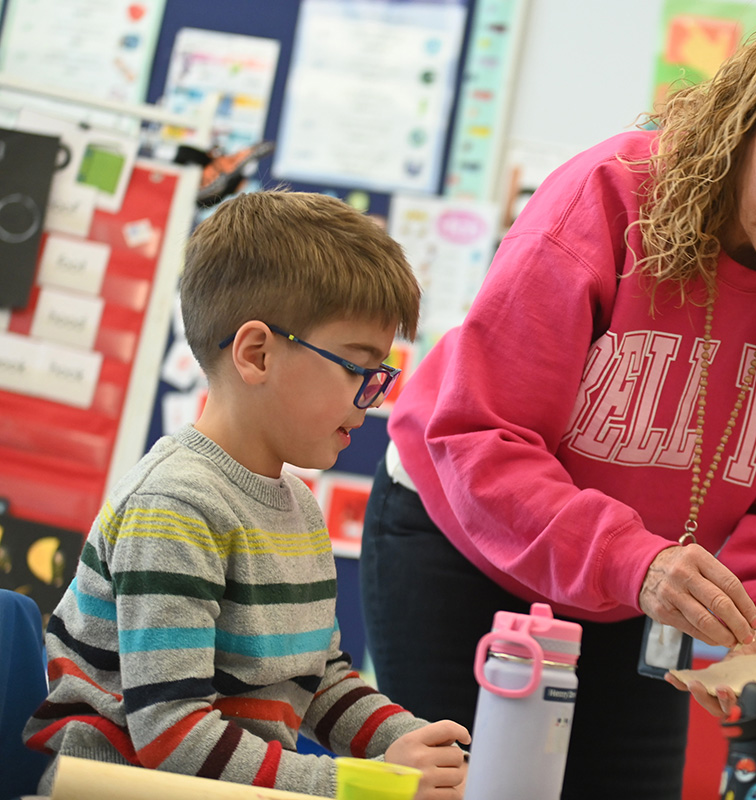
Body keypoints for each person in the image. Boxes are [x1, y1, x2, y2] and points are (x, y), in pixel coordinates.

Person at [360, 7, 756, 799]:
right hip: (464, 543)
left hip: (641, 585)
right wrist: (639, 561)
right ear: (741, 126)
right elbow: (479, 434)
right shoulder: (607, 200)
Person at [23, 192, 470, 799]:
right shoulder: (174, 508)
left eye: (379, 375)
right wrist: (361, 786)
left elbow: (320, 681)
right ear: (256, 353)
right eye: (355, 369)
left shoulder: (296, 507)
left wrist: (422, 749)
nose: (373, 397)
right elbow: (172, 737)